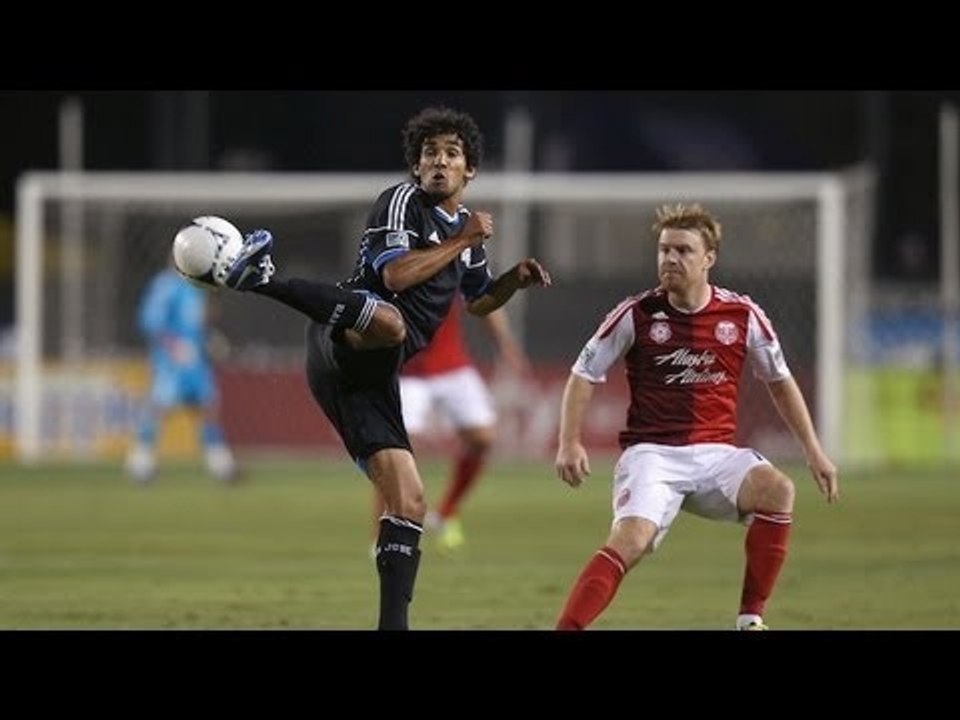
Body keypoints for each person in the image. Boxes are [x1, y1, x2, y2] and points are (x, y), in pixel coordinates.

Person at [216, 106, 551, 630]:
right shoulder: (402, 203)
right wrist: (463, 240)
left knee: (411, 500)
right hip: (343, 336)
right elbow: (394, 276)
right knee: (393, 322)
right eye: (429, 154)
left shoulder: (463, 234)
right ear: (416, 168)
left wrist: (514, 279)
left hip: (371, 378)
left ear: (470, 172)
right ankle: (263, 279)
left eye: (451, 154)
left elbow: (481, 301)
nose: (439, 161)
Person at [553, 203, 838, 631]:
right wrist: (569, 441)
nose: (670, 259)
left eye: (683, 250)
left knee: (779, 491)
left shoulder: (742, 315)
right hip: (652, 454)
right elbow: (583, 373)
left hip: (715, 455)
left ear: (709, 259)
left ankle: (750, 620)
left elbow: (779, 381)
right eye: (664, 250)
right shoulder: (636, 314)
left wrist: (814, 452)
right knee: (630, 540)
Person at [370, 300, 530, 554]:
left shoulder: (453, 261)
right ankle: (384, 536)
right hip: (406, 370)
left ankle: (445, 512)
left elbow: (485, 297)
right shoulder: (393, 265)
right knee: (394, 450)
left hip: (451, 365)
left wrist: (506, 343)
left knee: (483, 438)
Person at [125, 264, 237, 484]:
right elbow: (150, 321)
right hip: (172, 361)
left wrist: (209, 339)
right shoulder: (165, 285)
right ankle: (140, 463)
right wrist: (172, 345)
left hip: (195, 360)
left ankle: (221, 466)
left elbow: (199, 320)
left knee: (207, 408)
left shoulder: (197, 286)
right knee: (159, 407)